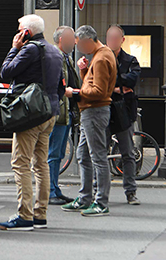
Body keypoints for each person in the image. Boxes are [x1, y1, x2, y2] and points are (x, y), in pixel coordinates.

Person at [0, 14, 64, 231]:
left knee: (21, 162)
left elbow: (6, 72)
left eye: (19, 29)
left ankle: (24, 215)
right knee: (41, 163)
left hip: (30, 113)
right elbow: (62, 85)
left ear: (26, 31)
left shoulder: (30, 49)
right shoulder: (54, 50)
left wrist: (14, 48)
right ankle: (40, 214)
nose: (17, 33)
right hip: (50, 113)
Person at [61, 25, 117, 217]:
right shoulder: (102, 55)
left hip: (94, 111)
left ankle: (101, 202)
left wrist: (74, 92)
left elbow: (99, 92)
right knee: (83, 155)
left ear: (87, 41)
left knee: (97, 157)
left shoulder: (101, 58)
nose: (78, 48)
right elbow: (93, 85)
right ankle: (85, 198)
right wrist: (84, 72)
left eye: (78, 44)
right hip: (92, 111)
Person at [106, 24, 141, 205]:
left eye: (115, 37)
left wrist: (112, 84)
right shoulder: (100, 57)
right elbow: (97, 80)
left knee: (127, 152)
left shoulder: (130, 60)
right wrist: (119, 87)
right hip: (104, 109)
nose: (111, 41)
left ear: (122, 40)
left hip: (124, 112)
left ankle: (130, 191)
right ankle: (99, 190)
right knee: (99, 153)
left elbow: (132, 80)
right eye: (109, 37)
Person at [48, 26, 81, 206]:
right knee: (53, 153)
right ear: (61, 39)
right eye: (71, 38)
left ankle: (55, 188)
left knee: (59, 153)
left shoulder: (66, 58)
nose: (74, 42)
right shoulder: (56, 57)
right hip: (59, 111)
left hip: (65, 111)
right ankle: (50, 190)